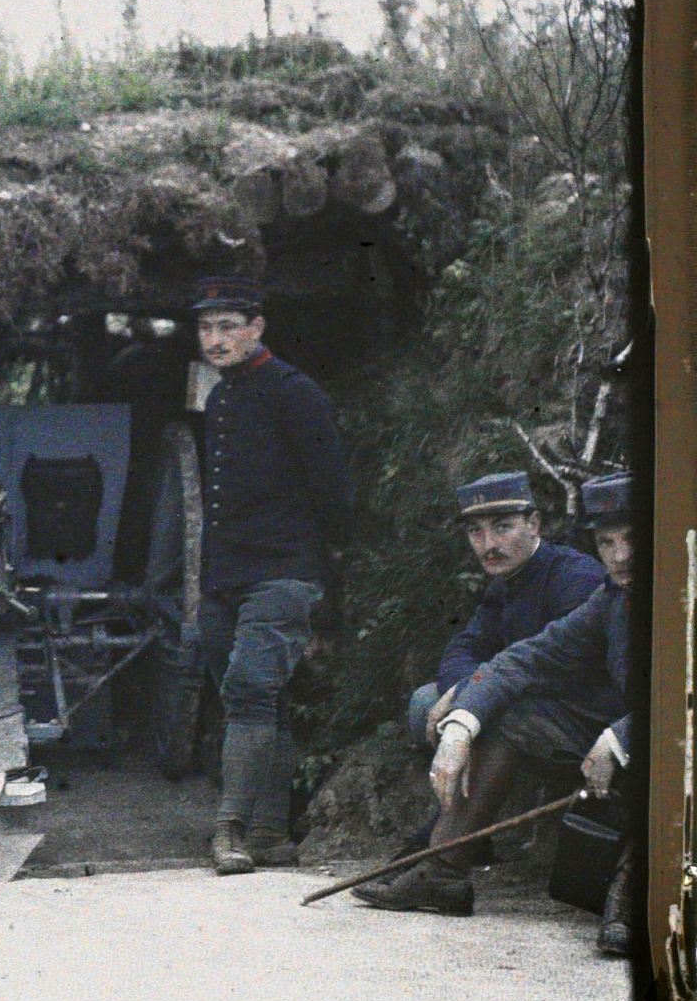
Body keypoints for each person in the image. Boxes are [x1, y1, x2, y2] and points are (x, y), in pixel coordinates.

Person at [360, 471, 636, 934]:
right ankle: (444, 869)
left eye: (633, 539)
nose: (621, 555)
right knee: (463, 710)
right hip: (606, 738)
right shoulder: (612, 595)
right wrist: (463, 721)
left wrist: (621, 735)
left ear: (535, 524)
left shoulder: (585, 580)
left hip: (647, 738)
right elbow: (523, 656)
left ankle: (636, 890)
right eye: (607, 542)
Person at [190, 274, 353, 875]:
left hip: (283, 570)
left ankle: (227, 831)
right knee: (265, 700)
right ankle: (270, 831)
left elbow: (333, 486)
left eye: (228, 327)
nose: (215, 339)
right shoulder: (220, 398)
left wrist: (324, 564)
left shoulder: (294, 392)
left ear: (257, 328)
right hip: (225, 577)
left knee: (251, 692)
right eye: (206, 328)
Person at [393, 469, 615, 857]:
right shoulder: (507, 580)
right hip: (531, 701)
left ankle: (449, 842)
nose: (488, 545)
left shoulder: (574, 578)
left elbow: (564, 673)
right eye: (475, 532)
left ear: (534, 524)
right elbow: (463, 648)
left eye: (502, 527)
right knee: (426, 703)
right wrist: (467, 692)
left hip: (588, 720)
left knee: (485, 714)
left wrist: (477, 698)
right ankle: (466, 831)